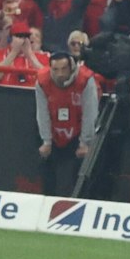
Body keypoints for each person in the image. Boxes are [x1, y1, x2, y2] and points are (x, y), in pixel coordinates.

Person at [33, 51, 98, 194]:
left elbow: (90, 112)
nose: (60, 74)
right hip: (55, 128)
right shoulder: (42, 81)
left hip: (78, 130)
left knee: (79, 173)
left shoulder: (85, 79)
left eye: (64, 69)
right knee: (47, 168)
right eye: (55, 70)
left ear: (71, 68)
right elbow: (42, 112)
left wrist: (85, 142)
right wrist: (46, 141)